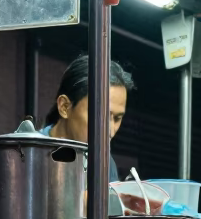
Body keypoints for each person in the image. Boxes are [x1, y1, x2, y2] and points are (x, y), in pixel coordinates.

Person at [41, 54, 134, 183]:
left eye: (117, 118)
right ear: (64, 107)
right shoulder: (26, 156)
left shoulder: (105, 163)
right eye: (100, 116)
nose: (111, 131)